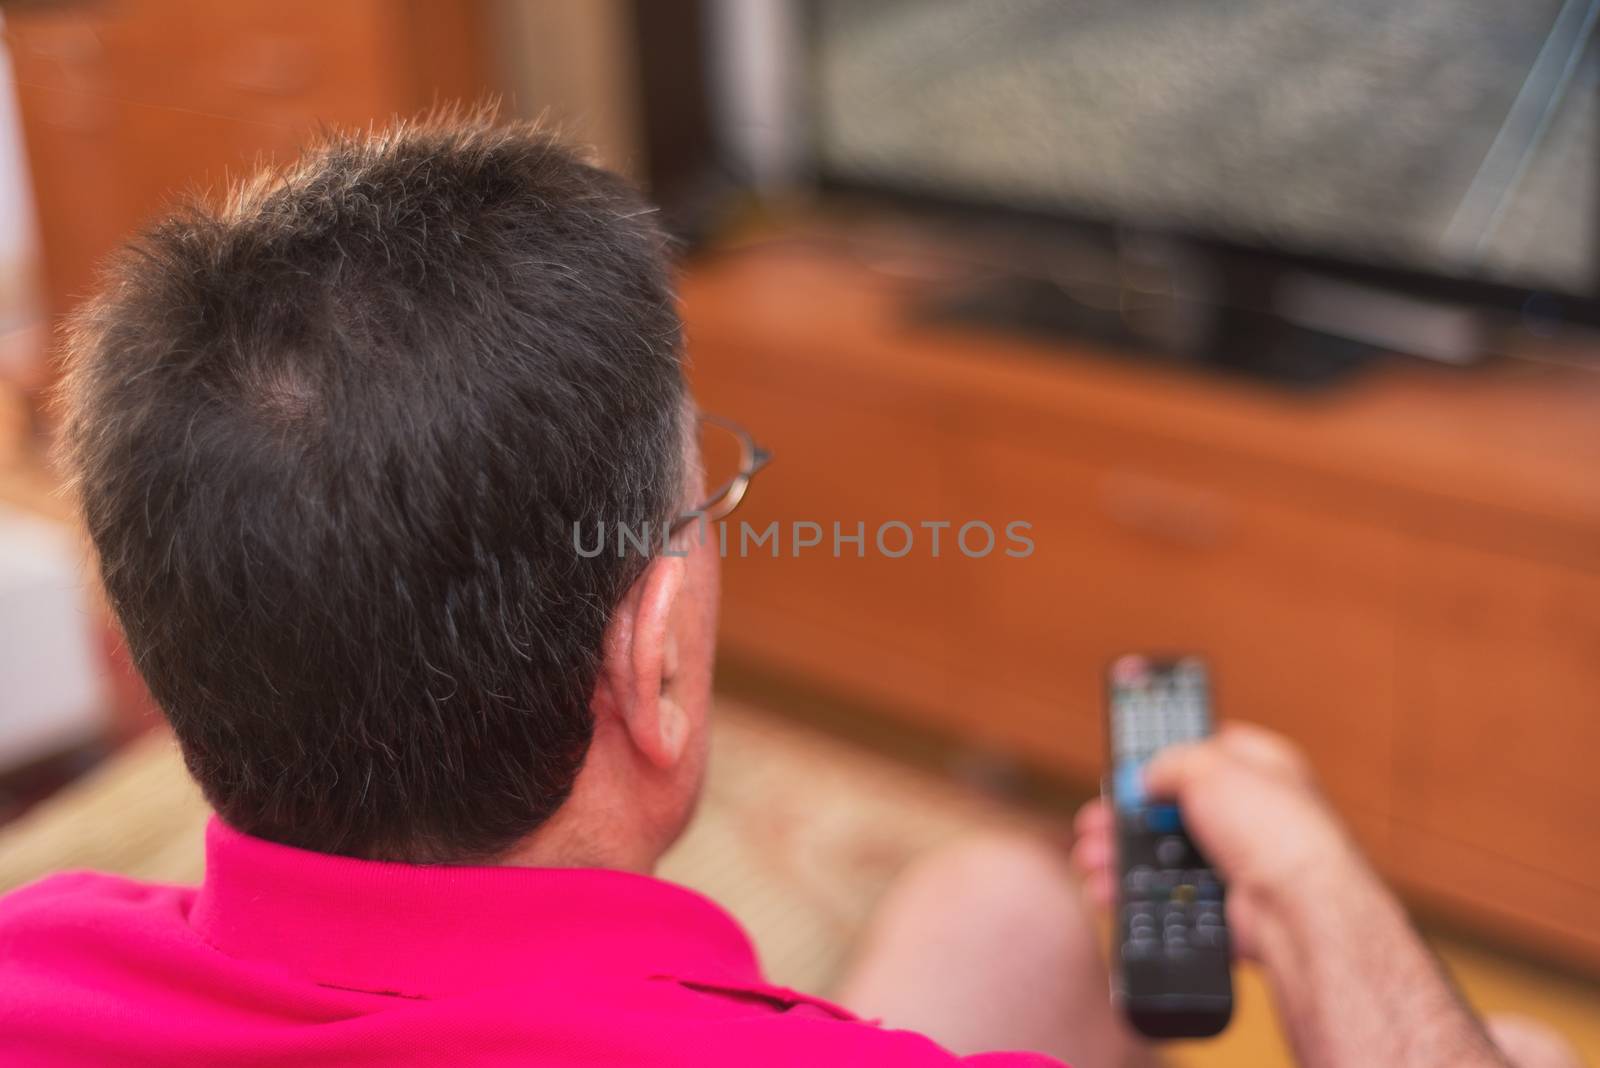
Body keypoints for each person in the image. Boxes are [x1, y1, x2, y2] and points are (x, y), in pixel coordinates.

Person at [0, 115, 1581, 1068]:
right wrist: (1316, 885)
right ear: (660, 670)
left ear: (160, 653)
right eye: (705, 494)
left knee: (1000, 903)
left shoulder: (35, 958)